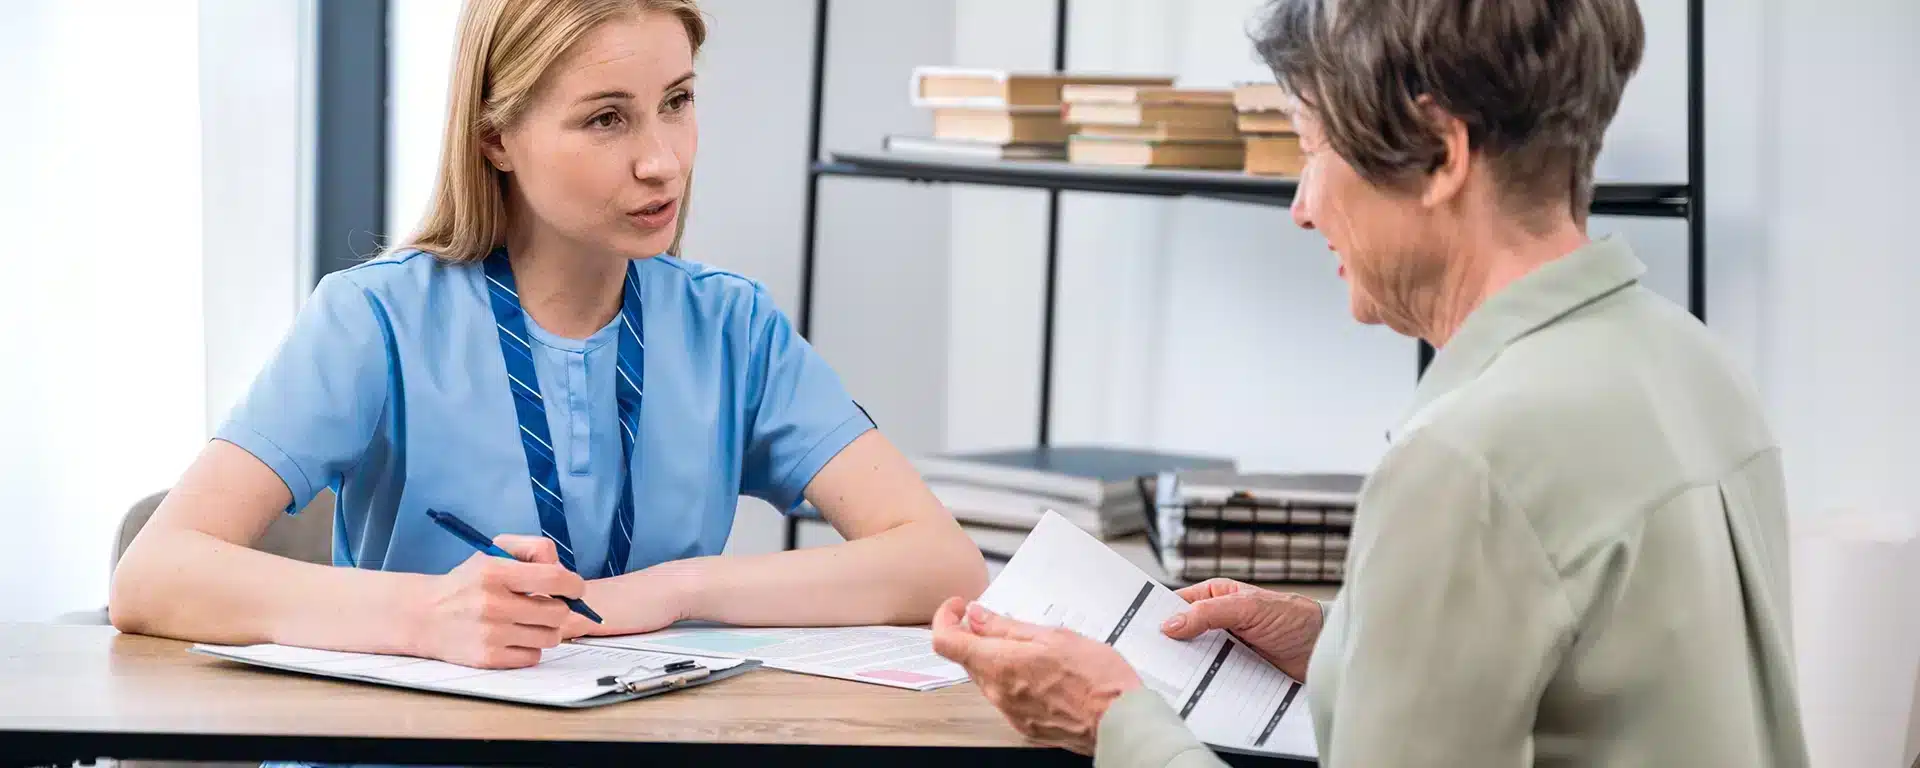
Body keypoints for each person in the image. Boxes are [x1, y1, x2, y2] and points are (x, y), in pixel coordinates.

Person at [932, 0, 1811, 765]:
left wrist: (1113, 719)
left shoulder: (1467, 462)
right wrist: (1342, 647)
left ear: (1439, 150)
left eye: (1314, 150)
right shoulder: (1694, 364)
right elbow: (1600, 697)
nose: (1303, 204)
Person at [109, 0, 987, 670]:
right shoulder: (373, 320)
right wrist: (429, 618)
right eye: (607, 118)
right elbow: (155, 576)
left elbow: (941, 563)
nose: (663, 159)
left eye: (676, 102)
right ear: (496, 136)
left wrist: (671, 592)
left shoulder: (732, 327)